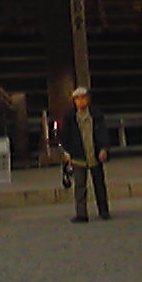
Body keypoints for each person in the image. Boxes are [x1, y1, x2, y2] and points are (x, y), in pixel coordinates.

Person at [56, 86, 112, 222]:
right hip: (78, 155)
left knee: (99, 184)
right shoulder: (69, 116)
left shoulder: (96, 114)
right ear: (74, 101)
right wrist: (67, 153)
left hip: (94, 153)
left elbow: (103, 132)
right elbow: (65, 136)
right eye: (78, 99)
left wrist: (104, 148)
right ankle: (81, 213)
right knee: (80, 186)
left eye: (83, 98)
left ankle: (103, 211)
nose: (81, 101)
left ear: (88, 99)